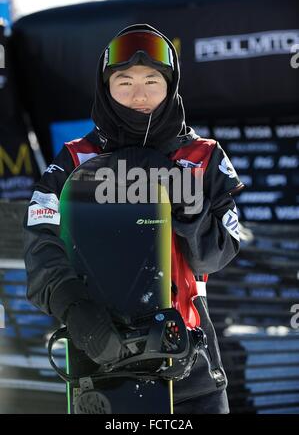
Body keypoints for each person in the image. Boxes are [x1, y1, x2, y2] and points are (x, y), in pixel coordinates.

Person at [23, 23, 244, 414]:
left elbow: (215, 257)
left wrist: (189, 211)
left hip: (190, 364)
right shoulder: (76, 159)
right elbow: (40, 242)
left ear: (170, 85)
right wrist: (74, 307)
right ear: (106, 88)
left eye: (152, 81)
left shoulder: (204, 158)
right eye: (124, 82)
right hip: (100, 354)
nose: (139, 95)